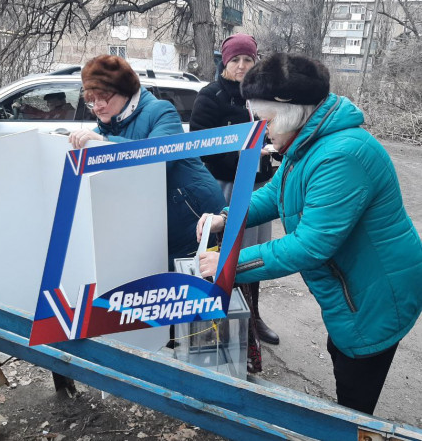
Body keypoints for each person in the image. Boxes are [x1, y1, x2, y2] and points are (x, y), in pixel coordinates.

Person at [196, 51, 422, 414]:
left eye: (264, 120)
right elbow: (278, 192)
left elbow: (310, 245)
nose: (261, 129)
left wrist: (228, 263)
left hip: (376, 292)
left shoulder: (341, 155)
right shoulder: (309, 140)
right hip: (352, 287)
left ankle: (353, 426)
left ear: (290, 113)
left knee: (356, 381)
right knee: (344, 353)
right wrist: (227, 217)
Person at [68, 54, 226, 270]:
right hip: (154, 225)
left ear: (124, 91)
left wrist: (105, 143)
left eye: (104, 97)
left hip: (193, 217)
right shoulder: (102, 131)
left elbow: (156, 161)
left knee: (194, 291)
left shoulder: (161, 111)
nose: (98, 106)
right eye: (92, 100)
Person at [190, 33, 280, 372]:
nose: (242, 66)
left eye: (248, 60)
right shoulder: (210, 97)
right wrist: (245, 156)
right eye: (235, 60)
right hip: (226, 187)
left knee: (254, 257)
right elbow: (203, 149)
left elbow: (274, 136)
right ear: (224, 63)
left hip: (259, 190)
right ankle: (227, 323)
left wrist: (268, 156)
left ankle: (254, 318)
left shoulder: (262, 97)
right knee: (227, 256)